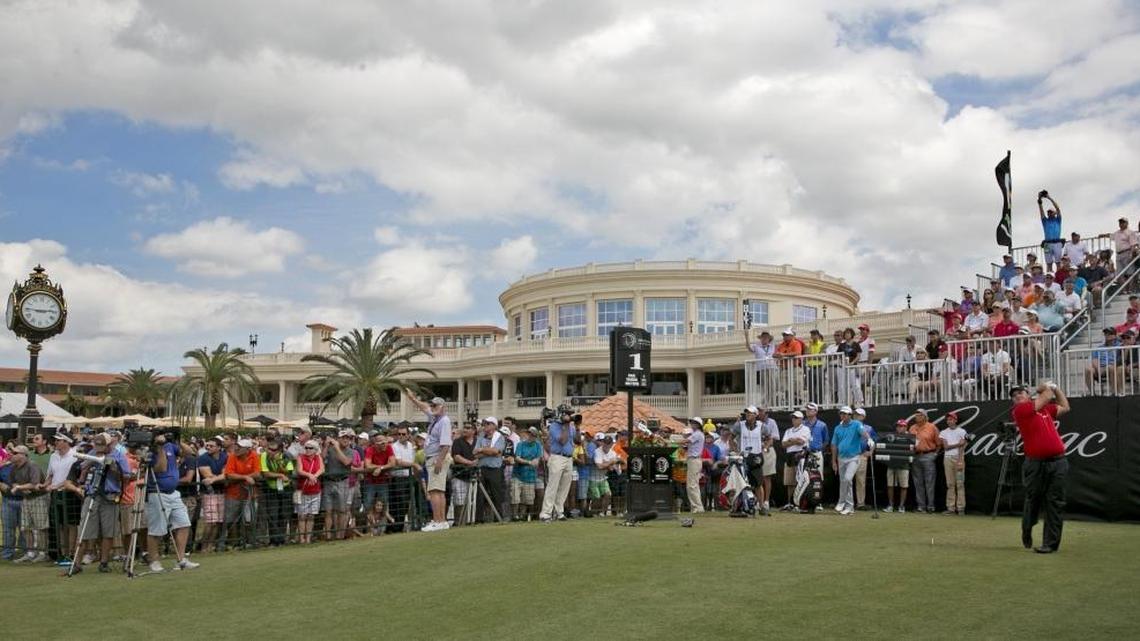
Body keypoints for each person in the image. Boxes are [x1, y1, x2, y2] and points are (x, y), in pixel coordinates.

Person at [1011, 382, 1070, 553]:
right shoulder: (1020, 411)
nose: (1017, 396)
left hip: (1058, 462)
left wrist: (1056, 388)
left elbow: (1065, 407)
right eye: (1014, 396)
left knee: (1055, 502)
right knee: (1033, 500)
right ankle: (1027, 527)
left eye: (1021, 393)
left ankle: (1050, 544)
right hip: (1035, 464)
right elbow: (1046, 395)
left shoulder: (1045, 410)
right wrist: (1045, 387)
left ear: (1027, 395)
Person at [74, 433, 130, 574]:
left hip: (110, 496)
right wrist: (88, 467)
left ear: (110, 444)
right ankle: (76, 563)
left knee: (108, 531)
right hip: (92, 493)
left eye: (102, 446)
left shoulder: (119, 456)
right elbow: (82, 471)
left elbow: (127, 477)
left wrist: (113, 468)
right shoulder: (92, 453)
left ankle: (104, 562)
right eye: (97, 445)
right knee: (85, 529)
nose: (99, 449)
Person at [142, 433, 198, 572]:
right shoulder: (151, 449)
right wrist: (160, 447)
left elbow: (190, 453)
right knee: (157, 530)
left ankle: (181, 560)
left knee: (184, 524)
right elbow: (160, 468)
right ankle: (154, 561)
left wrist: (178, 440)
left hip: (173, 493)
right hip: (157, 492)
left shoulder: (171, 445)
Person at [406, 393, 453, 532]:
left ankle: (438, 521)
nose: (432, 407)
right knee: (438, 490)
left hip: (436, 457)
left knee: (434, 491)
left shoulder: (444, 421)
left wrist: (439, 460)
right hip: (434, 457)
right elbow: (425, 407)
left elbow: (446, 444)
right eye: (432, 405)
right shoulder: (435, 418)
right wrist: (414, 399)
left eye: (436, 405)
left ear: (443, 407)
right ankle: (441, 521)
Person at [8, 445, 49, 562]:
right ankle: (30, 552)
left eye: (15, 453)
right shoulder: (14, 467)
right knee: (26, 527)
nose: (12, 454)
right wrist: (19, 487)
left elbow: (34, 483)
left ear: (23, 455)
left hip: (39, 497)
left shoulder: (32, 465)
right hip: (26, 498)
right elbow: (12, 482)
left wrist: (20, 487)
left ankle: (42, 552)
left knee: (41, 527)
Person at [221, 438, 261, 550]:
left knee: (249, 519)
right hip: (233, 493)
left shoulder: (254, 456)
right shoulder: (232, 456)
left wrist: (246, 477)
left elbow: (257, 473)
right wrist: (246, 477)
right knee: (229, 519)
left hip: (250, 493)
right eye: (237, 446)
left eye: (240, 447)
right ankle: (229, 543)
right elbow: (229, 474)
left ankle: (248, 542)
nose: (237, 449)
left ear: (247, 449)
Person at [831, 407, 870, 516]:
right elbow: (834, 445)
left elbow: (863, 433)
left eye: (845, 414)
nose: (843, 415)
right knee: (845, 481)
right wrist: (834, 461)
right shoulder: (837, 428)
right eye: (841, 414)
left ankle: (841, 502)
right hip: (841, 458)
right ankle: (849, 507)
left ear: (850, 415)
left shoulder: (856, 424)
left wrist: (869, 439)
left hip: (854, 457)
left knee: (847, 479)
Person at [48, 433, 79, 565]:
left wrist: (55, 486)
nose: (55, 442)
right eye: (55, 440)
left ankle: (72, 553)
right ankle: (63, 553)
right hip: (55, 493)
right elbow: (50, 474)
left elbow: (71, 478)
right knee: (59, 524)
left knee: (72, 524)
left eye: (58, 440)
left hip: (69, 493)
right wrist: (45, 484)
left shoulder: (75, 455)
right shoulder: (53, 456)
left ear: (66, 442)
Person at [539, 408, 576, 523]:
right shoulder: (554, 426)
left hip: (569, 458)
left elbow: (576, 440)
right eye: (568, 414)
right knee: (553, 486)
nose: (570, 416)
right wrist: (565, 425)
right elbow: (562, 441)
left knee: (565, 487)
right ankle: (545, 513)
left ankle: (559, 511)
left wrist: (577, 427)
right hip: (557, 457)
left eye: (570, 414)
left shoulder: (571, 426)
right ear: (561, 414)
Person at [321, 430, 356, 540]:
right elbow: (321, 458)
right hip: (329, 481)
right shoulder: (331, 449)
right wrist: (326, 446)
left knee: (342, 510)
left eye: (348, 438)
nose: (346, 440)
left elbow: (346, 462)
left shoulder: (351, 451)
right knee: (328, 510)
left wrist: (336, 447)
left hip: (342, 481)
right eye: (343, 437)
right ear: (338, 438)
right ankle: (328, 535)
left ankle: (340, 535)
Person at [260, 438, 294, 545]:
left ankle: (282, 539)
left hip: (286, 489)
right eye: (269, 449)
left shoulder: (286, 456)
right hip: (271, 489)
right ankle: (273, 540)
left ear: (279, 450)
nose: (270, 451)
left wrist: (279, 463)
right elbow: (266, 473)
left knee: (284, 514)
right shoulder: (264, 456)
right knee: (273, 514)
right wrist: (279, 475)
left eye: (273, 450)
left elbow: (289, 473)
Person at [196, 437, 228, 552]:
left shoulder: (225, 456)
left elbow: (225, 474)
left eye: (211, 446)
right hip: (209, 493)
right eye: (207, 445)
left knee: (218, 521)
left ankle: (210, 546)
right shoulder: (203, 458)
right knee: (210, 522)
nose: (208, 447)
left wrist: (215, 479)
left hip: (221, 492)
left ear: (219, 447)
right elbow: (207, 475)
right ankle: (203, 547)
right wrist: (219, 477)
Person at [474, 417, 506, 523]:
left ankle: (498, 518)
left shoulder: (499, 437)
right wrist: (489, 451)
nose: (485, 426)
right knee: (479, 495)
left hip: (494, 470)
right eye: (485, 424)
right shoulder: (480, 437)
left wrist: (482, 449)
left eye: (488, 424)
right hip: (482, 469)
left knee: (496, 494)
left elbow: (496, 451)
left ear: (494, 425)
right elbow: (475, 453)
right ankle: (479, 519)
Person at [908, 409, 940, 513]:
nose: (917, 416)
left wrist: (934, 454)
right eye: (916, 415)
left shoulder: (932, 427)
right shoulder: (912, 428)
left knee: (929, 482)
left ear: (925, 416)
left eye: (919, 415)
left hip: (928, 455)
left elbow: (939, 443)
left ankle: (930, 506)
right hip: (916, 456)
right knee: (918, 483)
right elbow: (909, 443)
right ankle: (921, 506)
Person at [779, 410, 811, 511]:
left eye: (796, 418)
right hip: (789, 457)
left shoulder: (805, 429)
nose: (794, 420)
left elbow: (802, 441)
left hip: (800, 456)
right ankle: (790, 503)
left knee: (800, 480)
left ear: (801, 419)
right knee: (789, 482)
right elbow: (783, 444)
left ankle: (799, 503)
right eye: (793, 418)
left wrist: (791, 441)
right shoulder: (788, 431)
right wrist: (794, 440)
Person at [295, 440, 323, 544]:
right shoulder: (300, 457)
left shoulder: (318, 457)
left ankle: (308, 538)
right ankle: (302, 538)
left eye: (310, 448)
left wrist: (314, 476)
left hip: (315, 490)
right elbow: (299, 470)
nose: (307, 450)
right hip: (303, 491)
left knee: (311, 515)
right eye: (306, 447)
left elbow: (322, 469)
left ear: (315, 450)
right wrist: (309, 475)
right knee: (302, 515)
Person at [939, 412, 968, 515]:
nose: (949, 421)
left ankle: (961, 508)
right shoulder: (943, 432)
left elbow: (963, 446)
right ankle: (951, 508)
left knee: (960, 484)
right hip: (947, 458)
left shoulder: (962, 431)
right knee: (950, 484)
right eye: (948, 420)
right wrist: (958, 444)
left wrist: (960, 460)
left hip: (959, 458)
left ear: (955, 420)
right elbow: (946, 447)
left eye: (951, 419)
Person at [512, 427, 542, 521]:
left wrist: (535, 461)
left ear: (535, 436)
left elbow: (537, 459)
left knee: (527, 499)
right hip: (517, 474)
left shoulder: (538, 445)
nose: (530, 436)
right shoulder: (521, 444)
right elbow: (517, 458)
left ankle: (522, 516)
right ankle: (515, 516)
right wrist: (529, 462)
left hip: (530, 475)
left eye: (532, 435)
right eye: (529, 434)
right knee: (515, 497)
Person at [852, 408, 878, 510]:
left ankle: (860, 503)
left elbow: (873, 441)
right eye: (855, 414)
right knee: (847, 480)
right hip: (848, 456)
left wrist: (870, 452)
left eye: (858, 415)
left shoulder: (868, 428)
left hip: (861, 455)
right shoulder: (847, 426)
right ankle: (847, 502)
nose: (856, 416)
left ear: (863, 417)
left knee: (860, 481)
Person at [884, 420, 910, 513]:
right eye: (898, 426)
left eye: (902, 426)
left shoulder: (910, 437)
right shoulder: (891, 436)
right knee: (890, 485)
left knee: (904, 486)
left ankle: (901, 506)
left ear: (906, 427)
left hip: (904, 465)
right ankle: (891, 505)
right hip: (891, 465)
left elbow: (915, 447)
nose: (899, 428)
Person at [591, 433, 619, 516]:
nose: (606, 445)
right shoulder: (597, 451)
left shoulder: (612, 453)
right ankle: (593, 513)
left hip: (603, 477)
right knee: (596, 497)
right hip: (593, 478)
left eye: (608, 443)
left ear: (611, 444)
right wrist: (610, 462)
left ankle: (602, 513)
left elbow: (612, 468)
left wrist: (605, 464)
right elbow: (599, 466)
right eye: (604, 443)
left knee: (608, 495)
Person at [1086, 327, 1120, 395]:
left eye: (1110, 334)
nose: (1107, 335)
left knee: (1110, 367)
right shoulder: (1099, 348)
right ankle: (1092, 393)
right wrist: (1098, 369)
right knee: (1088, 369)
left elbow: (1121, 359)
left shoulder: (1120, 346)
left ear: (1115, 335)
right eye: (1106, 334)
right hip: (1101, 367)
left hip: (1113, 366)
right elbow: (1094, 359)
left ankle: (1114, 393)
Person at [683, 420, 705, 514]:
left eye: (694, 423)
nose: (692, 425)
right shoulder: (697, 434)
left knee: (692, 485)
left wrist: (670, 441)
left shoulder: (697, 434)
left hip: (694, 460)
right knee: (694, 485)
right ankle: (697, 507)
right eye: (692, 423)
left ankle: (697, 507)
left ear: (698, 425)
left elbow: (685, 440)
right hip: (693, 460)